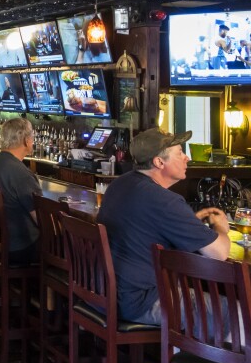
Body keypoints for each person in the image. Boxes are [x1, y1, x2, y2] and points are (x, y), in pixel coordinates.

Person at [98, 128, 230, 326]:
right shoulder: (165, 201)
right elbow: (219, 253)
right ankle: (188, 357)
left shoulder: (121, 183)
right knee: (236, 310)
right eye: (179, 153)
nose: (186, 158)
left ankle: (183, 353)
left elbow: (148, 224)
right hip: (140, 301)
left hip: (104, 292)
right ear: (159, 162)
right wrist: (221, 229)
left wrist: (189, 221)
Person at [0, 117, 41, 266]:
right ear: (26, 140)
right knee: (70, 247)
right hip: (17, 247)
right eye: (32, 137)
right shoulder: (22, 174)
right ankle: (46, 288)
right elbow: (41, 219)